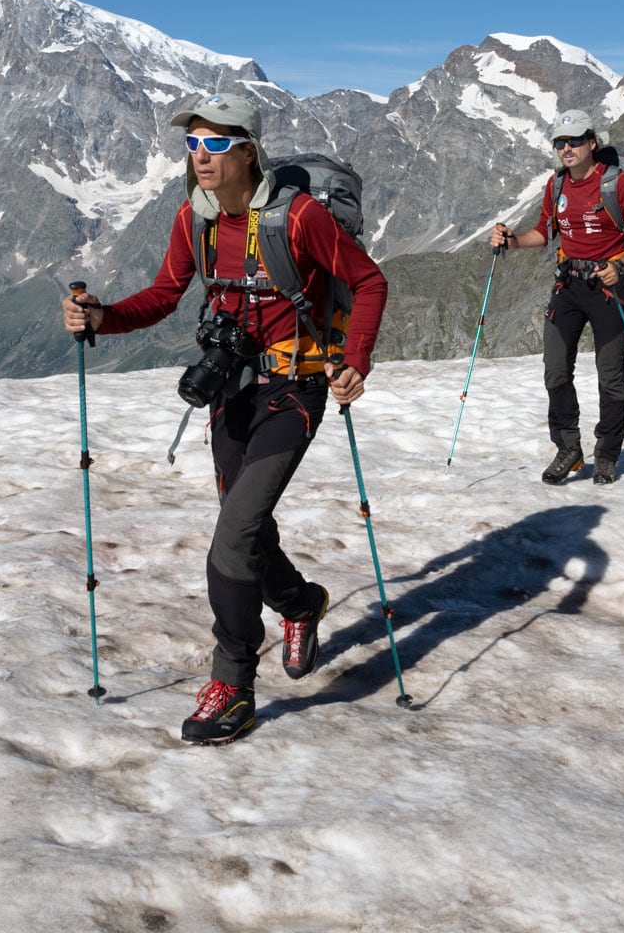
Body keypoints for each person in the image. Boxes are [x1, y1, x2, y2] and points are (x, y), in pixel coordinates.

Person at [62, 93, 387, 745]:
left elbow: (370, 281)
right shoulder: (195, 221)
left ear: (247, 150)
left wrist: (355, 361)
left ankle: (232, 684)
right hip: (230, 393)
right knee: (245, 527)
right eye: (193, 144)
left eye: (214, 145)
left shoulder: (298, 220)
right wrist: (101, 318)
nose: (200, 157)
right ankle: (300, 604)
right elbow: (161, 296)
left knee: (232, 536)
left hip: (294, 392)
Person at [489, 110, 624, 485]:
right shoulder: (556, 185)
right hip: (569, 286)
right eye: (560, 142)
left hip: (609, 288)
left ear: (592, 142)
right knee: (556, 370)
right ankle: (568, 448)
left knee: (610, 377)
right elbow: (543, 234)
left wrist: (621, 265)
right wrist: (511, 241)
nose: (567, 148)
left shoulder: (618, 184)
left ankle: (608, 454)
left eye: (575, 140)